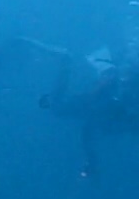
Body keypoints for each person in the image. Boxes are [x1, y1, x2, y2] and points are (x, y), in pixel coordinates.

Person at [40, 46, 139, 176]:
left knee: (59, 109)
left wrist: (91, 162)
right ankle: (66, 62)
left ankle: (66, 62)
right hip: (103, 103)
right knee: (58, 108)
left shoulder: (118, 119)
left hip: (104, 106)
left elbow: (88, 133)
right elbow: (89, 131)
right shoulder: (118, 104)